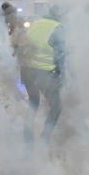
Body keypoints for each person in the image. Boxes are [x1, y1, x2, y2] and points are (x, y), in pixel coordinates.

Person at [14, 7, 64, 143]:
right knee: (56, 107)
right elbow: (61, 55)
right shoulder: (58, 27)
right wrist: (62, 77)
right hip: (44, 72)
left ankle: (28, 138)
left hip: (26, 70)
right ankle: (45, 137)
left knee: (33, 103)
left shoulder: (34, 24)